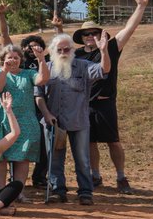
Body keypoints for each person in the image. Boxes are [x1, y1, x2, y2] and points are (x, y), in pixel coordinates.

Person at [70, 0, 150, 193]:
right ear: (81, 37)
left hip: (105, 104)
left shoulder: (111, 47)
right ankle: (95, 175)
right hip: (84, 104)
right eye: (86, 34)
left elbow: (129, 29)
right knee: (90, 142)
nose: (90, 36)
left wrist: (140, 6)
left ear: (100, 34)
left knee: (114, 141)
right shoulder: (76, 54)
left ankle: (121, 177)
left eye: (94, 33)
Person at [37, 32, 111, 206]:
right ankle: (57, 191)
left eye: (67, 49)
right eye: (59, 49)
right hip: (54, 123)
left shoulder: (84, 66)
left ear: (72, 50)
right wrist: (47, 114)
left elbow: (104, 69)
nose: (63, 52)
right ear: (53, 51)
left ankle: (85, 192)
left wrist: (104, 51)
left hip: (79, 121)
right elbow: (38, 95)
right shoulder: (45, 67)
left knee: (83, 159)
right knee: (54, 159)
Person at [0, 39, 49, 193]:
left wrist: (41, 59)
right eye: (9, 57)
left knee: (22, 158)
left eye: (16, 57)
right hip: (2, 121)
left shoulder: (28, 74)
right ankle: (1, 191)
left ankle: (17, 192)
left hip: (25, 122)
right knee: (1, 158)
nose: (13, 60)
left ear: (21, 59)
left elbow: (43, 80)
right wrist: (4, 71)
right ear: (3, 59)